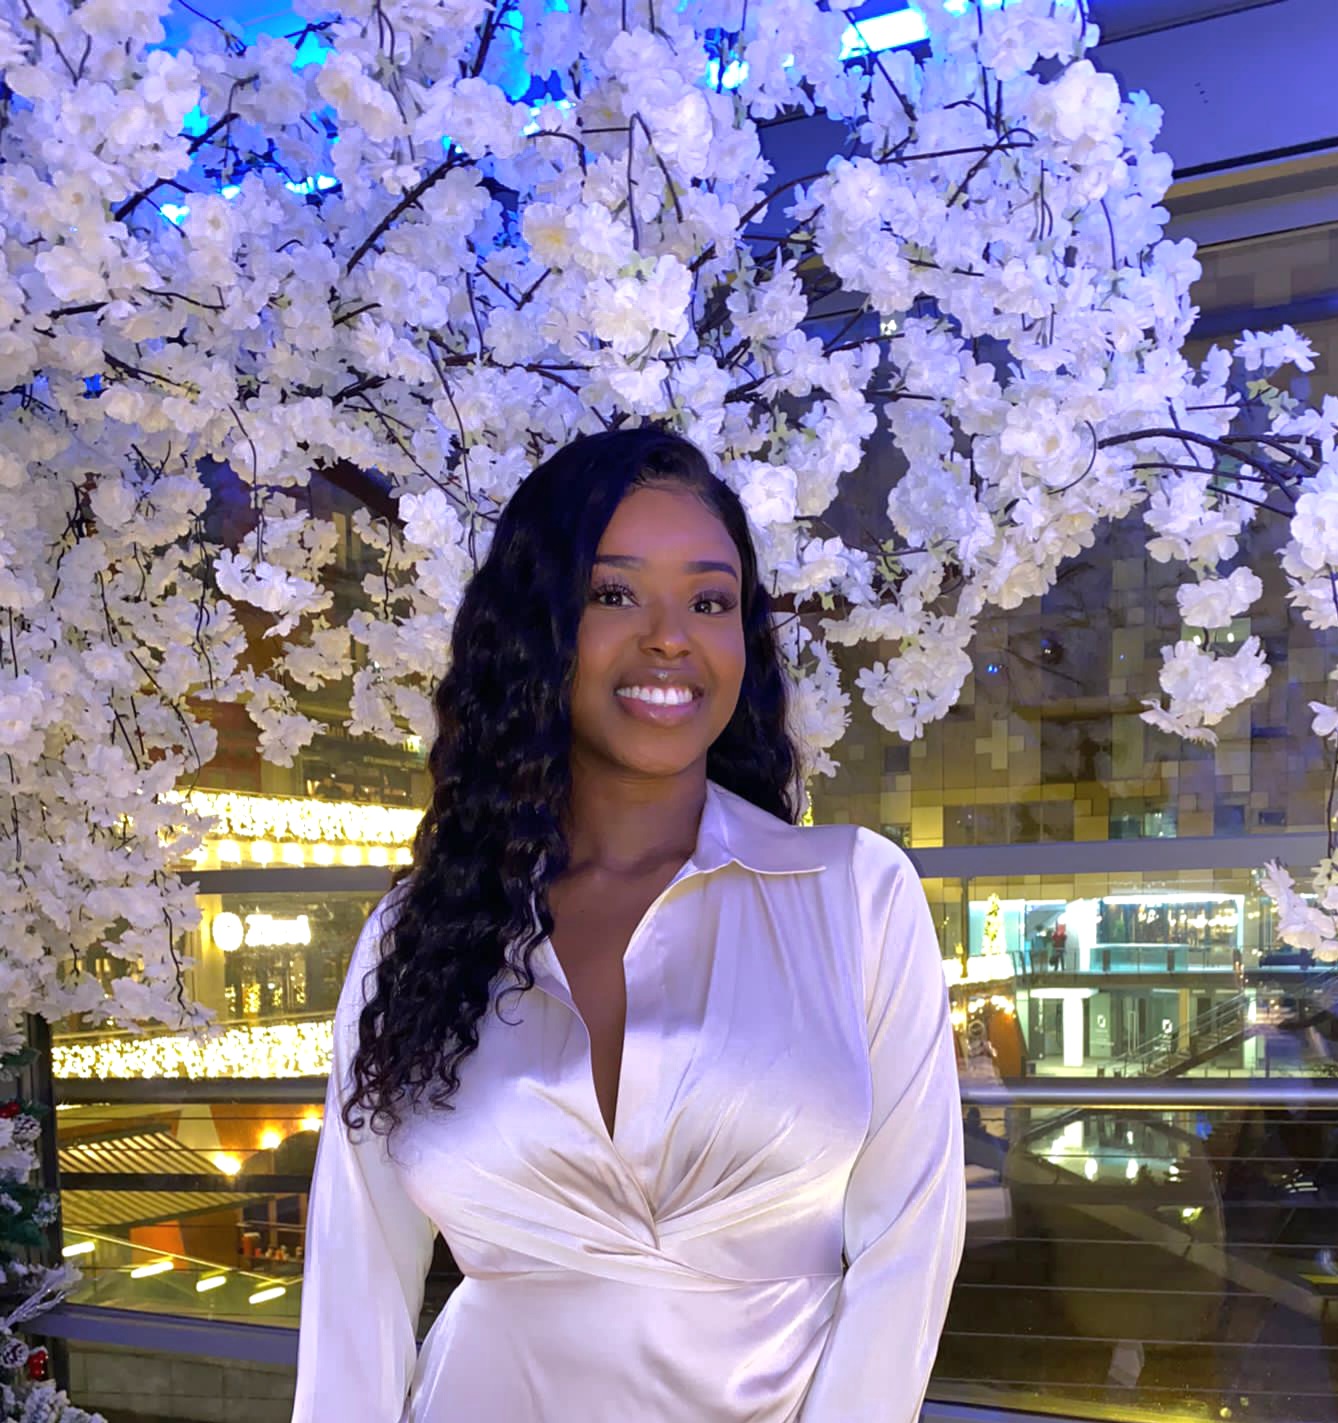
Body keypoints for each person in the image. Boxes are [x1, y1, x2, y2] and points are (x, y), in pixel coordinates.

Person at [291, 428, 966, 1422]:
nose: (669, 634)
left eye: (710, 599)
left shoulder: (856, 897)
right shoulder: (416, 936)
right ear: (538, 627)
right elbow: (357, 1284)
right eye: (614, 593)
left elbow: (909, 1247)